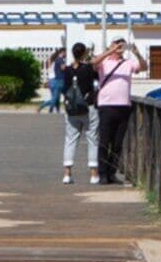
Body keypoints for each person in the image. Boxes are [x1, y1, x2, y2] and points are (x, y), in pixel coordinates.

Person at [94, 37, 139, 186]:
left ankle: (112, 173)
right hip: (106, 106)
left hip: (124, 106)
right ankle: (102, 174)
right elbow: (93, 63)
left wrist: (137, 53)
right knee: (104, 142)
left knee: (118, 143)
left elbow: (143, 67)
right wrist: (110, 51)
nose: (120, 47)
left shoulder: (127, 63)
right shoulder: (104, 63)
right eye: (117, 44)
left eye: (122, 44)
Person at [55, 43, 101, 183]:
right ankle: (93, 175)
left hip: (72, 109)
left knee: (70, 140)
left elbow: (63, 88)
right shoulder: (88, 69)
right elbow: (98, 79)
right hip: (88, 107)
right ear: (84, 53)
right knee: (92, 140)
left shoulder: (67, 70)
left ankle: (67, 174)